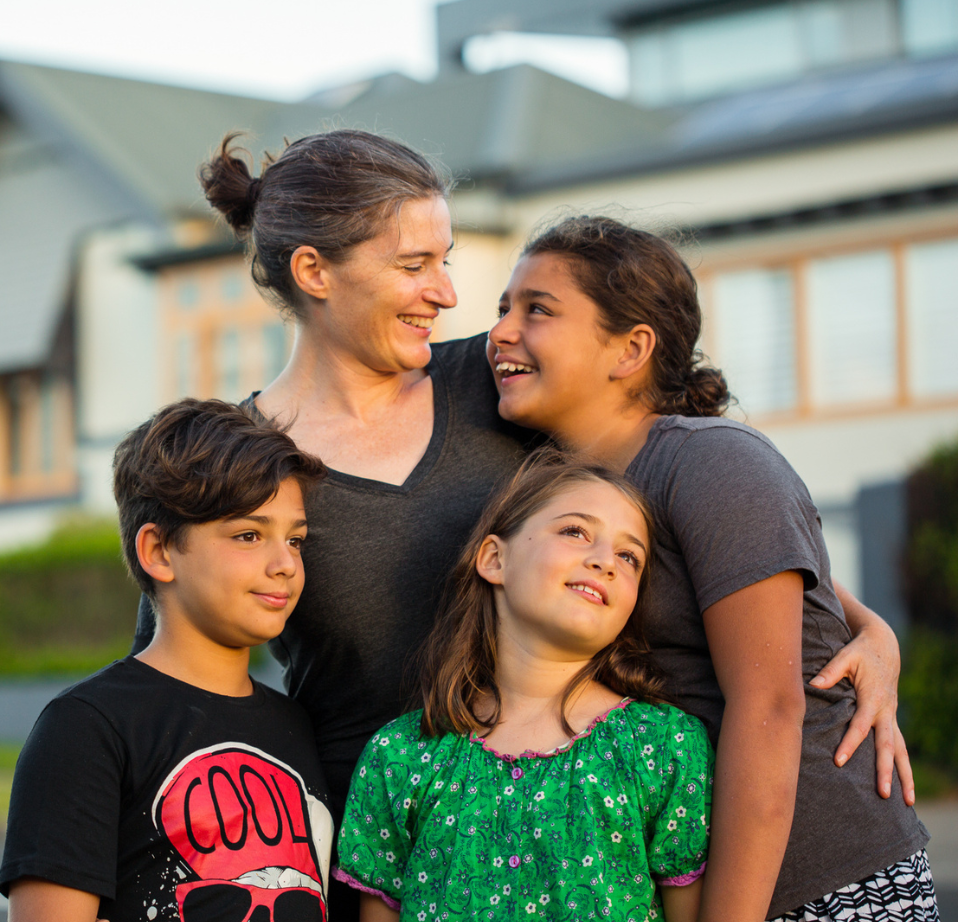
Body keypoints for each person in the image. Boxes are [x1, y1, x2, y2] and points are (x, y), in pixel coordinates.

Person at [134, 129, 913, 921]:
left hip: (587, 853)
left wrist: (863, 625)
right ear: (314, 271)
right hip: (394, 862)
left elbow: (704, 511)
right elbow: (172, 669)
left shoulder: (498, 382)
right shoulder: (238, 460)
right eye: (415, 265)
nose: (445, 293)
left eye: (446, 261)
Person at [486, 215, 932, 920]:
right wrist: (873, 626)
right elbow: (808, 582)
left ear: (631, 348)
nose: (502, 331)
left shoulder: (713, 460)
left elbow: (772, 706)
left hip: (820, 882)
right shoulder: (565, 483)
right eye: (502, 309)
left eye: (536, 309)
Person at [337, 454, 711, 922]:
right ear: (495, 559)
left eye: (629, 556)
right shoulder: (400, 755)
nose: (605, 561)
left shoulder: (664, 745)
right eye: (575, 531)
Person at [0, 399, 332, 922]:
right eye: (249, 535)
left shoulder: (298, 723)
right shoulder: (85, 729)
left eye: (295, 540)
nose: (285, 564)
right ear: (158, 551)